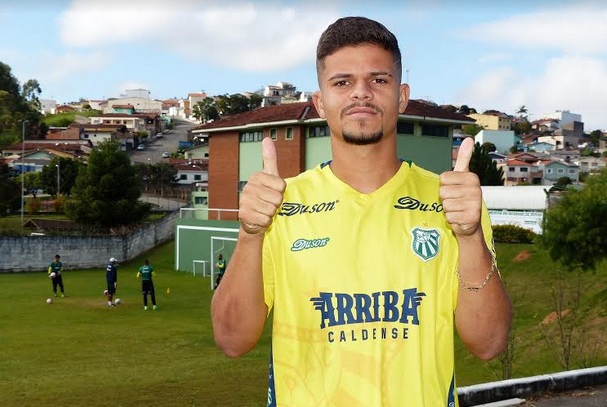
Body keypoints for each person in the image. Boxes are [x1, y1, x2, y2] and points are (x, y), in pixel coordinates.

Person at [211, 16, 512, 406]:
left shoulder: (452, 201)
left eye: (378, 80)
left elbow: (488, 344)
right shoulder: (280, 205)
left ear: (401, 96)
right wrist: (251, 234)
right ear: (320, 103)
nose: (361, 93)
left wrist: (470, 236)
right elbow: (232, 340)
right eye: (342, 82)